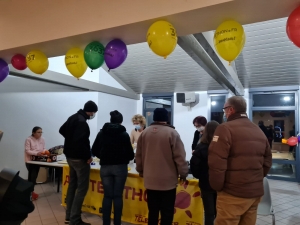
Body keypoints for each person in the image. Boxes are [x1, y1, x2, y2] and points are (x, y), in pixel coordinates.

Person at [208, 96, 272, 225]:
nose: (224, 112)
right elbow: (267, 160)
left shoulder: (224, 129)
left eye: (224, 109)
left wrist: (217, 187)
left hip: (232, 193)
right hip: (254, 193)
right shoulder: (258, 130)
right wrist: (255, 179)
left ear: (231, 110)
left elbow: (216, 163)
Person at [136, 108, 189, 225]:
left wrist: (140, 170)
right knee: (167, 213)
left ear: (154, 118)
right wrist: (183, 172)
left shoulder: (145, 133)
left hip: (150, 180)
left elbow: (138, 155)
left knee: (153, 211)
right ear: (166, 118)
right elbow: (180, 156)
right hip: (167, 182)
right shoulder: (172, 133)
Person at [92, 110, 134, 225]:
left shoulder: (102, 133)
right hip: (120, 168)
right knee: (117, 196)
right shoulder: (124, 134)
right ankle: (117, 223)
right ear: (121, 121)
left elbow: (94, 149)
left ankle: (106, 223)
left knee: (107, 196)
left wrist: (103, 156)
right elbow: (131, 155)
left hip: (105, 167)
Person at [59, 100, 98, 225]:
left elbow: (62, 130)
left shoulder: (73, 117)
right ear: (90, 111)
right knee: (82, 188)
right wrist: (88, 156)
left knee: (72, 186)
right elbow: (82, 142)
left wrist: (69, 140)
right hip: (79, 159)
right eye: (94, 112)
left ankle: (68, 217)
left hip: (69, 157)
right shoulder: (82, 123)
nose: (93, 115)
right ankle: (75, 219)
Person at [190, 121, 219, 225]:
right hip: (221, 183)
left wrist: (200, 176)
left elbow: (194, 165)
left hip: (206, 183)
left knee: (209, 212)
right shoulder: (223, 146)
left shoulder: (201, 146)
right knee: (220, 212)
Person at [24, 126, 47, 200]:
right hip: (30, 161)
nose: (40, 134)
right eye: (38, 132)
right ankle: (29, 194)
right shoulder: (29, 139)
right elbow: (27, 151)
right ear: (33, 133)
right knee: (32, 177)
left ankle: (31, 193)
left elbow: (43, 148)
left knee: (34, 177)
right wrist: (37, 153)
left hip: (38, 160)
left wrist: (45, 152)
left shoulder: (42, 139)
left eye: (41, 132)